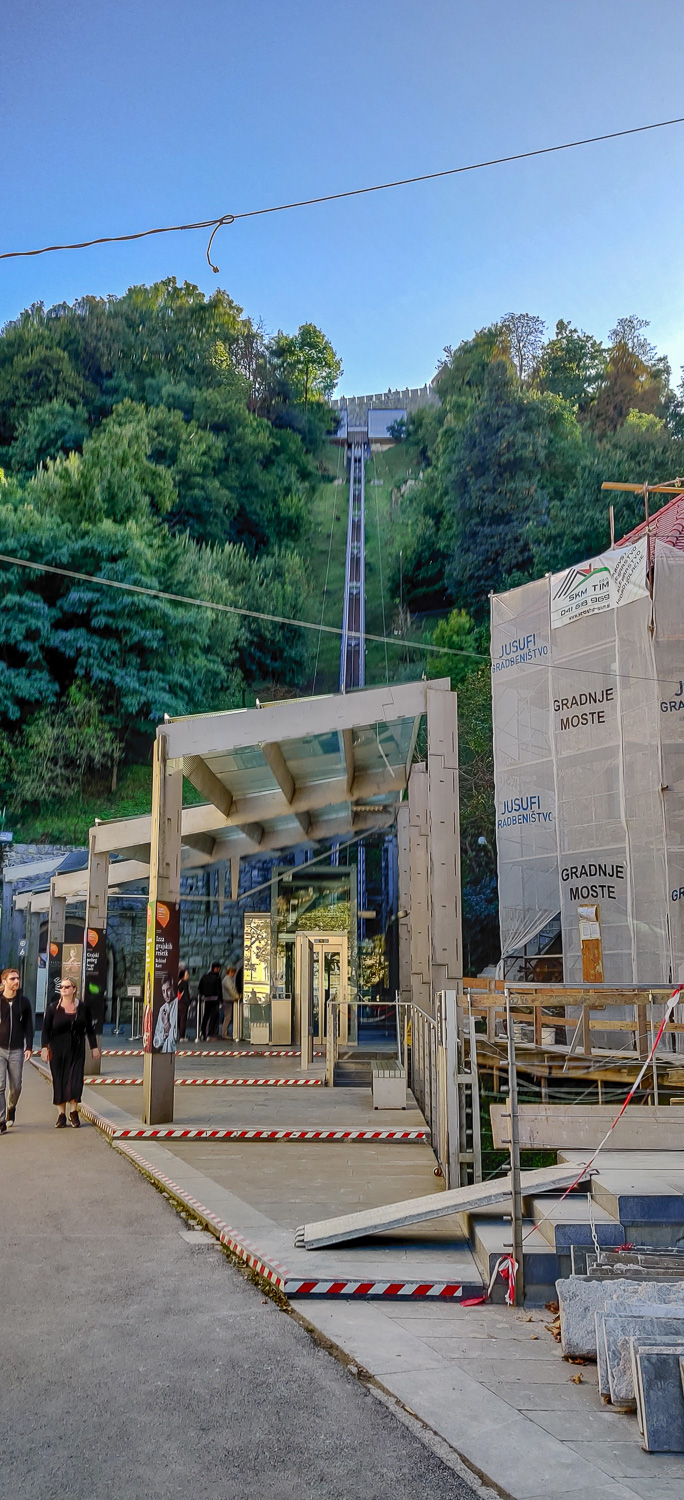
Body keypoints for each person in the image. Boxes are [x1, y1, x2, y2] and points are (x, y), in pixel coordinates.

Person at [41, 977, 100, 1128]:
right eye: (62, 987)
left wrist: (94, 1047)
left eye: (67, 987)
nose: (64, 989)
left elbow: (89, 1029)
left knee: (75, 1081)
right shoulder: (53, 1008)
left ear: (74, 989)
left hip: (77, 1048)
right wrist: (44, 1048)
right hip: (57, 1050)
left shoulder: (83, 1008)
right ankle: (61, 1115)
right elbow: (46, 1029)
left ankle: (73, 1112)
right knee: (59, 1080)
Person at [0, 967, 33, 1135]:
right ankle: (1, 1121)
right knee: (0, 1086)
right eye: (12, 979)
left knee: (16, 1086)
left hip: (17, 1050)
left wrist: (29, 1047)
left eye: (17, 978)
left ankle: (11, 1107)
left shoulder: (24, 1002)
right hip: (0, 1049)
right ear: (4, 981)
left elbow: (29, 1026)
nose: (16, 981)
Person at [153, 973, 177, 1053]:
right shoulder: (162, 1009)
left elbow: (175, 1037)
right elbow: (156, 1042)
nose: (166, 994)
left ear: (172, 987)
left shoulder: (177, 1004)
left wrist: (166, 1023)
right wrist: (164, 1034)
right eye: (163, 991)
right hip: (163, 1052)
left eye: (168, 990)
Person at [198, 961, 222, 1040]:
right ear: (216, 968)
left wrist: (204, 995)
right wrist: (220, 1000)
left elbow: (200, 988)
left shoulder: (204, 976)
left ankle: (203, 1032)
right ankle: (211, 1033)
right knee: (213, 1017)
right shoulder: (217, 977)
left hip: (206, 999)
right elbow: (219, 990)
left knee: (206, 1016)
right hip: (215, 999)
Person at [221, 965, 240, 1040]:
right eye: (233, 972)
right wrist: (237, 996)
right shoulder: (227, 980)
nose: (234, 974)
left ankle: (225, 1032)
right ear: (230, 972)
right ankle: (224, 1033)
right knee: (227, 1017)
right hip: (227, 1000)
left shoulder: (227, 979)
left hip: (228, 999)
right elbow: (231, 989)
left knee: (228, 1017)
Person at [177, 966, 191, 1042]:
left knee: (179, 1019)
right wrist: (188, 1003)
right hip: (183, 1003)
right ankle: (182, 1036)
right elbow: (186, 994)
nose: (188, 976)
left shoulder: (178, 982)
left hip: (178, 1003)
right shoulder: (185, 983)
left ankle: (180, 1034)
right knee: (183, 1019)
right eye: (186, 974)